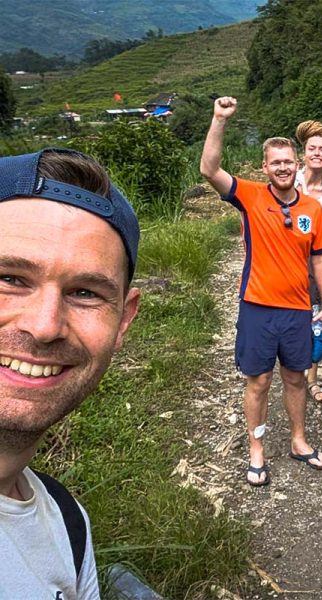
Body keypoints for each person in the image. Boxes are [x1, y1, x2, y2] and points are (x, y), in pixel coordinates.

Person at [0, 148, 141, 597]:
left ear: (123, 321)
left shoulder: (67, 520)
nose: (43, 327)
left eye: (85, 292)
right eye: (9, 278)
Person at [201, 96, 322, 484]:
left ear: (297, 165)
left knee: (296, 378)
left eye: (287, 162)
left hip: (297, 310)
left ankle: (298, 440)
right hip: (258, 307)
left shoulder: (311, 208)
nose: (282, 168)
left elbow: (319, 260)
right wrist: (219, 120)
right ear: (265, 167)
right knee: (258, 381)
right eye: (274, 162)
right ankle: (256, 447)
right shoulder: (250, 195)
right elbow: (209, 169)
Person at [295, 120, 322, 404]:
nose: (317, 153)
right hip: (284, 263)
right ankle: (292, 371)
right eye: (312, 148)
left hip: (313, 265)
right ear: (304, 153)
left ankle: (311, 378)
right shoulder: (289, 179)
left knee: (315, 320)